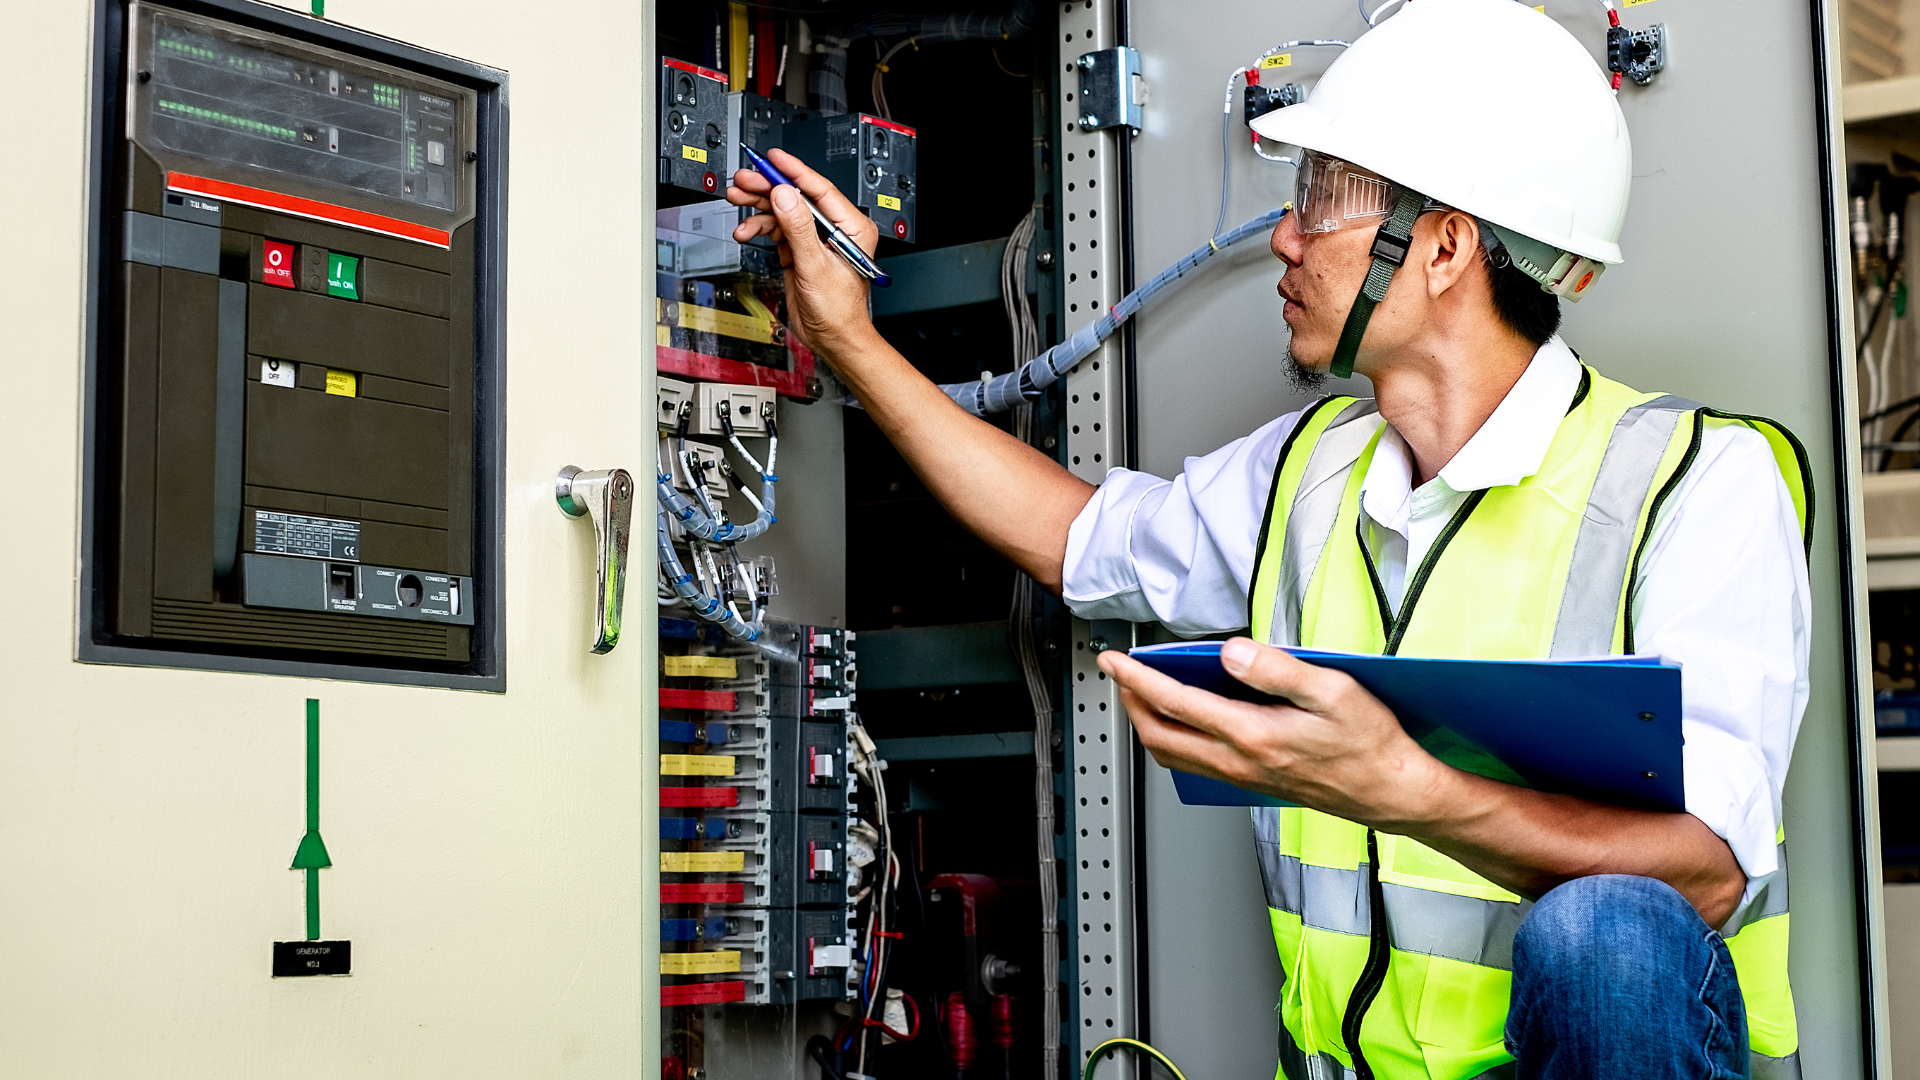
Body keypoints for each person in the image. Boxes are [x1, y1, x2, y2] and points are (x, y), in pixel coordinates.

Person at [726, 1, 1811, 1076]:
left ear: (1443, 246)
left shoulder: (1694, 486)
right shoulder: (1310, 472)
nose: (1284, 238)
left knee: (1606, 941)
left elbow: (1707, 877)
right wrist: (847, 338)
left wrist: (1400, 785)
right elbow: (1076, 537)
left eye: (1320, 200)